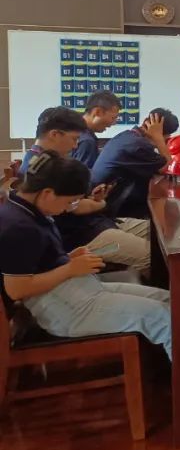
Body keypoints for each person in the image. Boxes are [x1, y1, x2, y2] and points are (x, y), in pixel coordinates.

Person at [0, 151, 171, 359]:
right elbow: (17, 289)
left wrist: (68, 258)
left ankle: (175, 365)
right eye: (70, 202)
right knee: (165, 319)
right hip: (64, 309)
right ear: (48, 193)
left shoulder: (30, 210)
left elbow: (37, 262)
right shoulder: (17, 226)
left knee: (170, 301)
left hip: (76, 291)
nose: (67, 209)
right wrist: (69, 269)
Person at [22, 107, 150, 274]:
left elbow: (73, 203)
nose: (75, 145)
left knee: (158, 233)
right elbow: (74, 207)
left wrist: (91, 199)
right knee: (151, 255)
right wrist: (100, 203)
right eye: (74, 139)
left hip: (97, 223)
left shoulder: (43, 160)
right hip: (83, 238)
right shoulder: (41, 169)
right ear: (54, 134)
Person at [91, 108, 178, 219]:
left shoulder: (127, 135)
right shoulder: (138, 145)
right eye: (167, 136)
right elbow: (167, 167)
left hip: (104, 202)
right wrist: (158, 138)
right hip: (106, 210)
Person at [72, 89, 122, 168]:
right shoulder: (87, 141)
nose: (114, 123)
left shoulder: (74, 129)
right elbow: (82, 175)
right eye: (113, 118)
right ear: (97, 112)